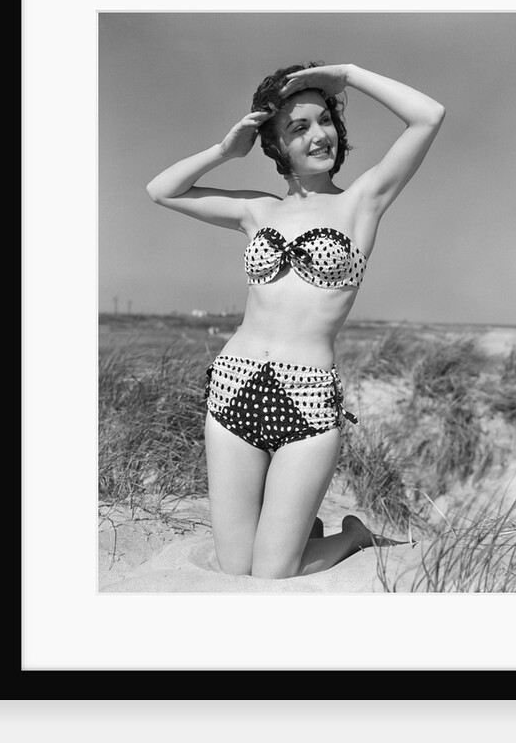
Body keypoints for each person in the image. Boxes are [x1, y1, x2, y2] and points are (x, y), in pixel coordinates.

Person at [146, 62, 445, 579]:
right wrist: (224, 150)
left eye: (324, 119)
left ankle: (351, 535)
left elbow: (427, 116)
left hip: (307, 397)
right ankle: (309, 532)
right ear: (276, 146)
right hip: (233, 386)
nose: (319, 134)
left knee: (274, 573)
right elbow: (162, 190)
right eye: (298, 127)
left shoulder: (362, 203)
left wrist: (346, 74)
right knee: (236, 565)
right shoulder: (257, 211)